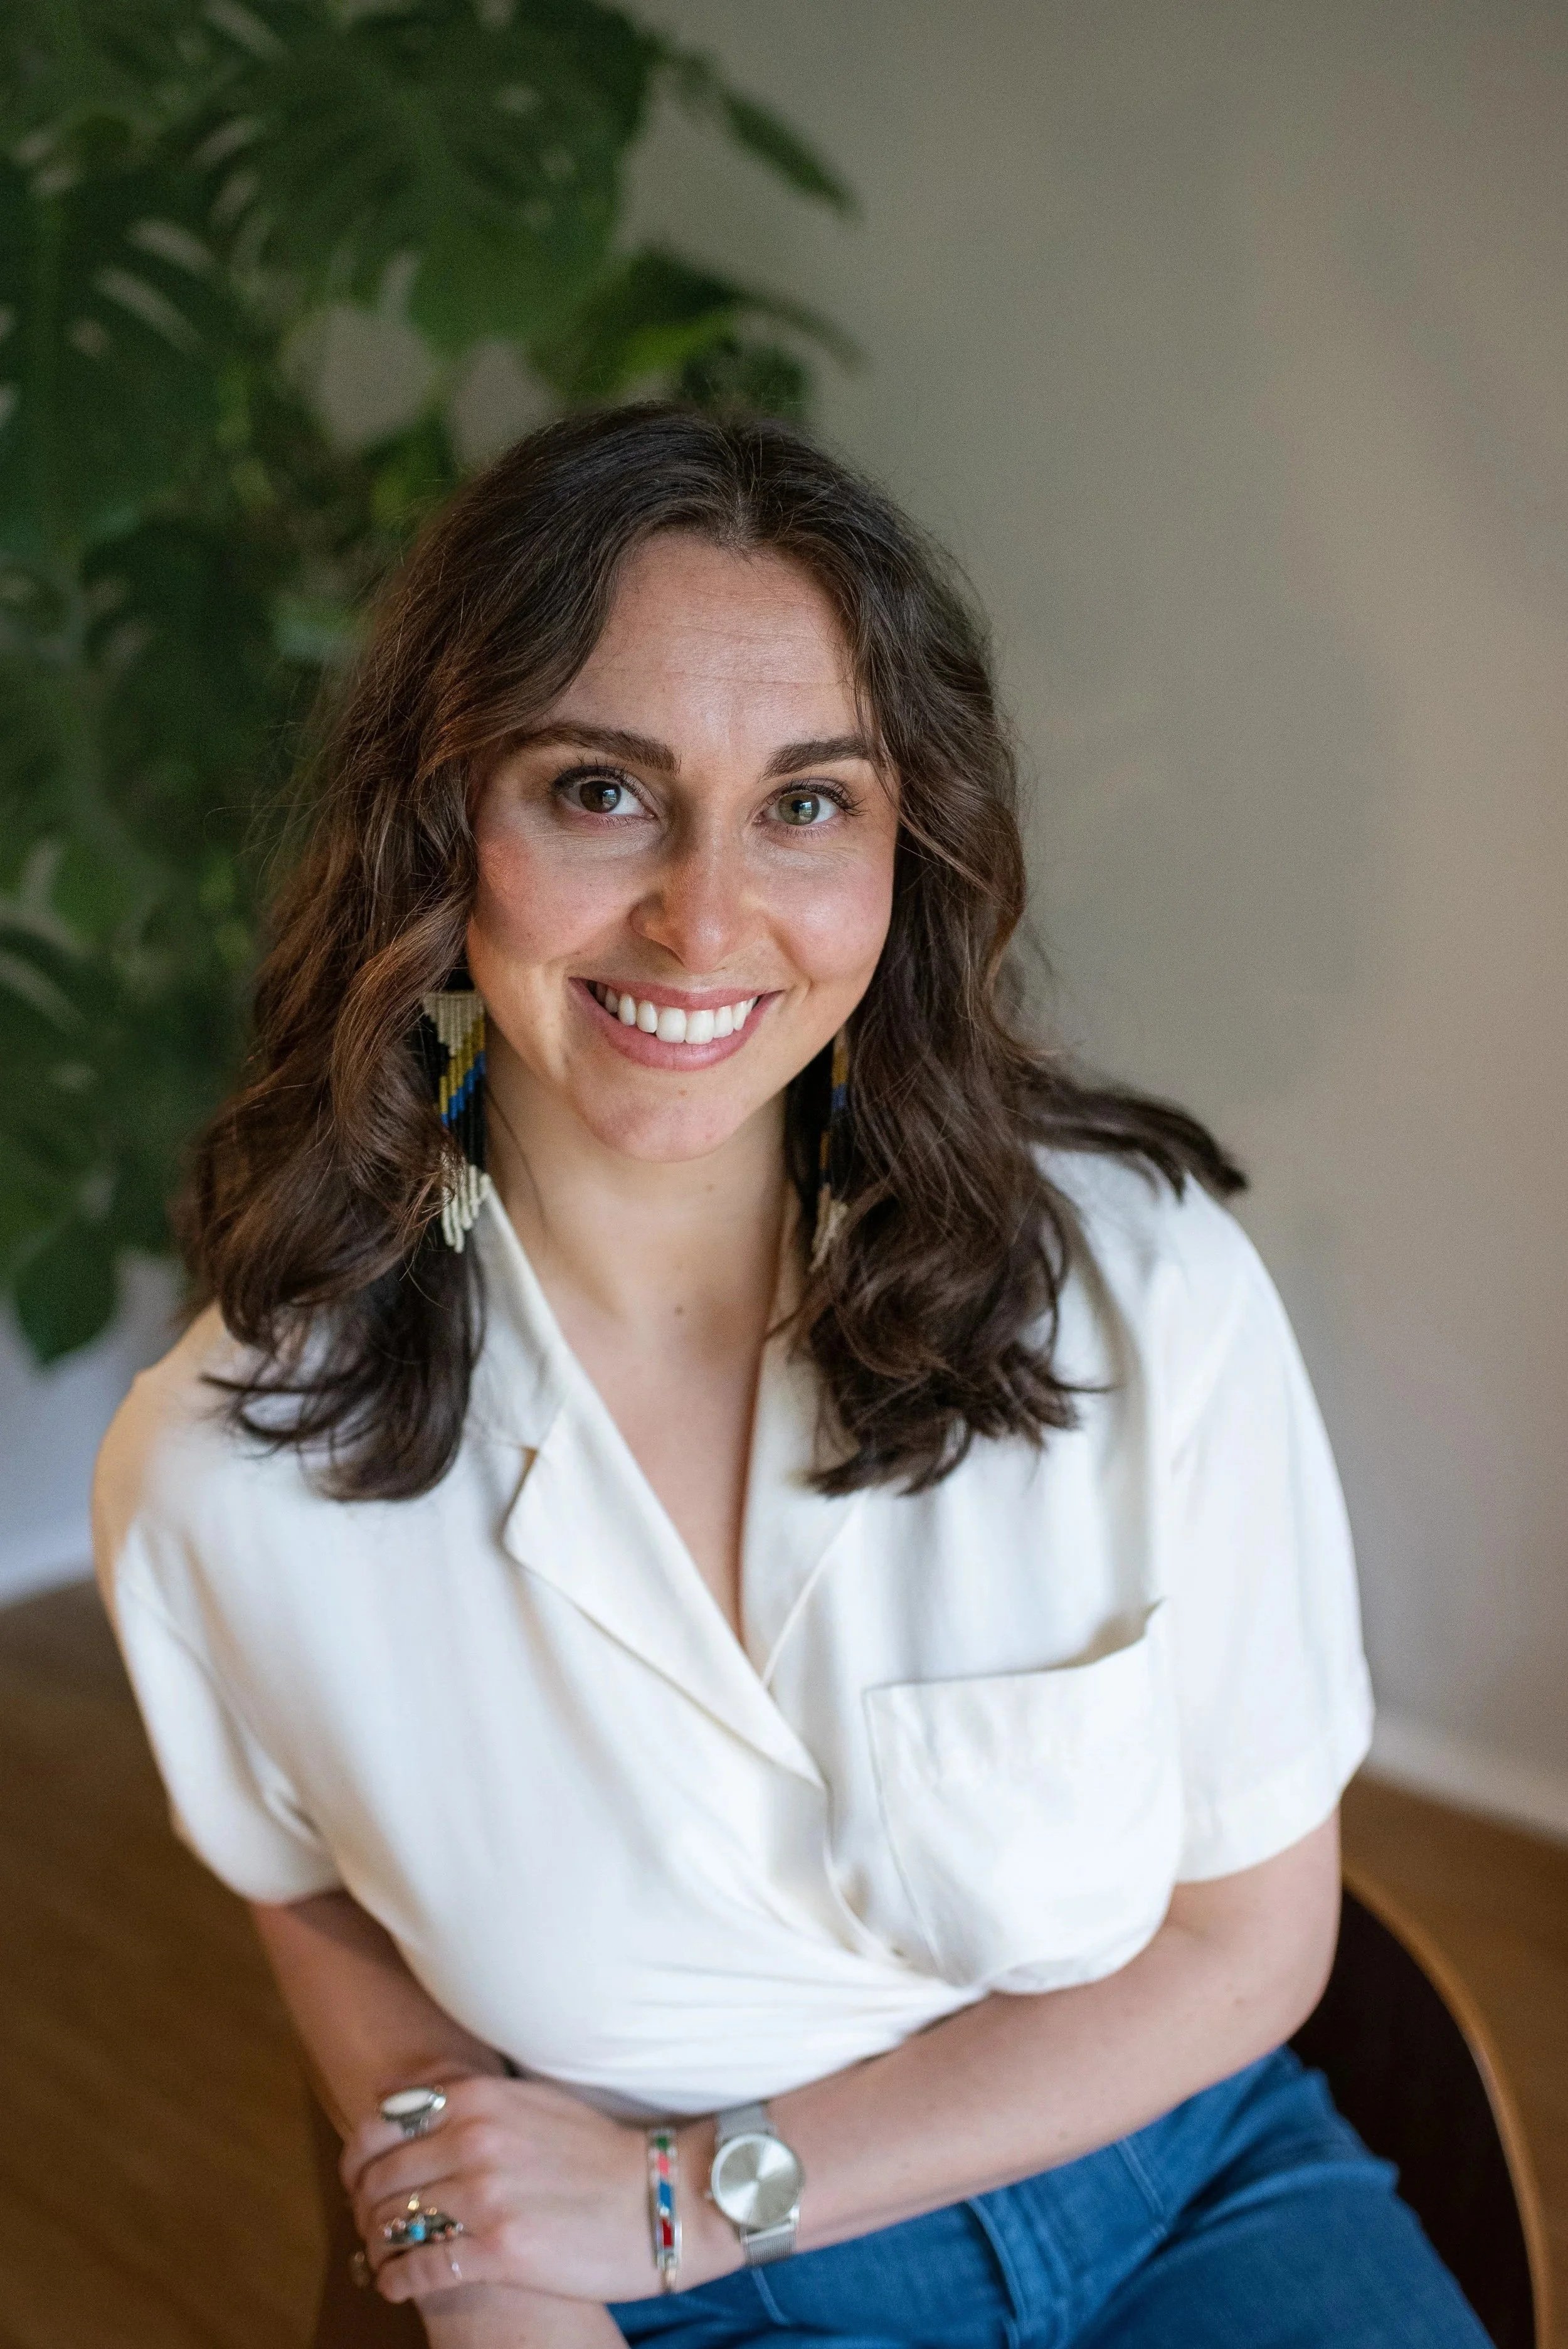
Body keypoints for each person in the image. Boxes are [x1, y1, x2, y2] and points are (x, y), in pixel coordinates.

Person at [93, 405, 1489, 2349]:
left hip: (1190, 2184)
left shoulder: (1141, 1295)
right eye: (599, 789)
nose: (704, 913)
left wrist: (693, 2192)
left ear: (901, 851)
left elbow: (1249, 1942)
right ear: (441, 825)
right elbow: (313, 1898)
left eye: (807, 803)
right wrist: (500, 2273)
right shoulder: (230, 1471)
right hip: (685, 2307)